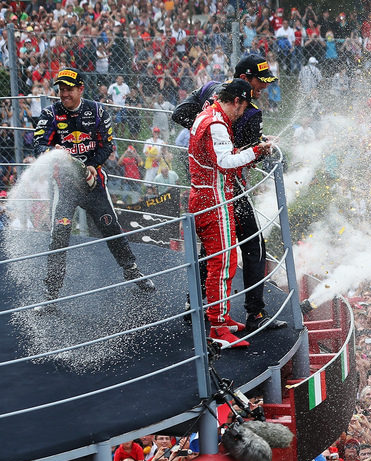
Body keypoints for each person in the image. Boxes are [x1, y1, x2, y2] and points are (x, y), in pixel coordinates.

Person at [172, 54, 286, 333]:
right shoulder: (249, 111)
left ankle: (193, 305)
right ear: (244, 80)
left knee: (211, 247)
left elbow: (179, 114)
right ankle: (255, 313)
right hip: (226, 186)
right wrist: (261, 147)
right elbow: (243, 156)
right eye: (260, 84)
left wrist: (205, 140)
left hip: (202, 180)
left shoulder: (210, 87)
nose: (263, 90)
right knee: (253, 245)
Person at [33, 68, 155, 304]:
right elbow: (38, 147)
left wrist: (92, 165)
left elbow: (107, 146)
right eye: (61, 90)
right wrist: (52, 151)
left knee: (111, 226)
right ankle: (51, 293)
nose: (64, 94)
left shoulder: (98, 111)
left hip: (93, 183)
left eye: (69, 89)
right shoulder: (50, 114)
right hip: (64, 186)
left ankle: (131, 269)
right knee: (59, 235)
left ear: (81, 89)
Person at [187, 79, 273, 349]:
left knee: (222, 261)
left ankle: (219, 318)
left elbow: (223, 155)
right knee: (222, 264)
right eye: (244, 105)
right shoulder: (216, 123)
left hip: (208, 196)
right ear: (237, 100)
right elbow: (225, 161)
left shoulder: (209, 114)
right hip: (213, 199)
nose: (242, 112)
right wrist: (258, 150)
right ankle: (218, 327)